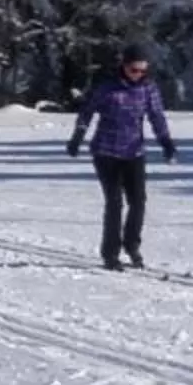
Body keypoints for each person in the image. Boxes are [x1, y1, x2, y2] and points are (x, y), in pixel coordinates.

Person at [67, 43, 178, 268]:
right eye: (133, 70)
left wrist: (166, 142)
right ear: (124, 66)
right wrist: (77, 136)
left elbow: (157, 116)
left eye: (142, 70)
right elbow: (86, 110)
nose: (137, 75)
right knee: (115, 203)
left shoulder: (148, 89)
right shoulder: (108, 88)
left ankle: (131, 244)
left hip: (133, 152)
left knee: (138, 201)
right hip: (106, 152)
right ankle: (110, 254)